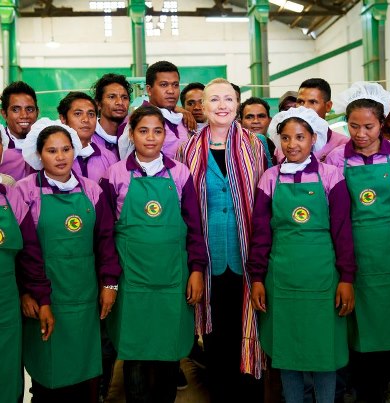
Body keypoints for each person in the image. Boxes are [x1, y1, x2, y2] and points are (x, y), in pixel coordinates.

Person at [100, 105, 207, 403]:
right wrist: (110, 281)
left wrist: (196, 270)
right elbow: (105, 235)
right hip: (132, 281)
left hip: (172, 278)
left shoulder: (180, 173)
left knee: (168, 350)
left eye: (157, 131)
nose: (150, 137)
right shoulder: (115, 175)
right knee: (135, 350)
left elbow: (194, 227)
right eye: (143, 131)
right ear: (131, 135)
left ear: (165, 136)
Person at [248, 106, 356, 403]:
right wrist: (257, 277)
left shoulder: (332, 177)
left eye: (299, 137)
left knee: (325, 354)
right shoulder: (269, 178)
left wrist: (346, 277)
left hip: (324, 279)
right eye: (285, 137)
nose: (292, 144)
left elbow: (343, 232)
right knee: (288, 353)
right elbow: (261, 234)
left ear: (313, 139)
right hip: (281, 280)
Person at [16, 119, 121, 403]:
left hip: (85, 299)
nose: (60, 157)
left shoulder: (91, 190)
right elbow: (25, 251)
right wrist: (31, 293)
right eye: (52, 151)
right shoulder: (24, 192)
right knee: (48, 381)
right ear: (39, 155)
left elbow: (106, 242)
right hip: (44, 299)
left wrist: (109, 284)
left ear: (75, 151)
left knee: (85, 376)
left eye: (66, 149)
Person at [178, 78, 267, 403]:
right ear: (202, 106)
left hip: (248, 257)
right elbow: (184, 211)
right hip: (209, 259)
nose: (222, 105)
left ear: (238, 104)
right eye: (214, 99)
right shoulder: (186, 150)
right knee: (216, 340)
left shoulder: (257, 146)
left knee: (249, 329)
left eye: (228, 98)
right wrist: (193, 264)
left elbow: (266, 202)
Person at [326, 81, 390, 402]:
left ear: (382, 123)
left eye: (369, 126)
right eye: (353, 126)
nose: (360, 134)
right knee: (362, 342)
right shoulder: (334, 161)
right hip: (356, 265)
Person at [0, 179, 42, 402]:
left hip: (6, 306)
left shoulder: (10, 196)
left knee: (7, 375)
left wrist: (29, 291)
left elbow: (30, 253)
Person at [58, 91, 118, 183]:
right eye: (78, 114)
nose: (86, 120)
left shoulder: (109, 158)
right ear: (63, 118)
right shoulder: (56, 157)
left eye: (91, 114)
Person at [284, 78, 348, 162]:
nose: (304, 108)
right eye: (300, 102)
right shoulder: (284, 146)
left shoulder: (343, 144)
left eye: (312, 102)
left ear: (328, 106)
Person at [0, 81, 39, 180]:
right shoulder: (1, 147)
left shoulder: (48, 145)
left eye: (29, 109)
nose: (24, 115)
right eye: (16, 110)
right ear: (4, 114)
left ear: (37, 112)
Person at [91, 73, 132, 158]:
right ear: (98, 104)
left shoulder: (134, 137)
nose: (120, 102)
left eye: (124, 97)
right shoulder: (87, 138)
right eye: (112, 97)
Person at [240, 96, 275, 164]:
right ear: (240, 123)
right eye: (249, 117)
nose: (256, 121)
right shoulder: (232, 150)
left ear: (269, 121)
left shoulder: (278, 150)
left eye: (261, 116)